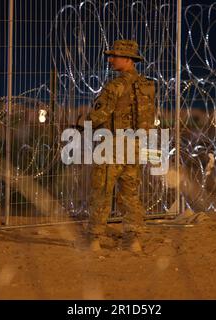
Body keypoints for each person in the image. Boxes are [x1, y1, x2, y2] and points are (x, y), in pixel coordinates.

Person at [78, 39, 155, 252]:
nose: (110, 60)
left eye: (115, 56)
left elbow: (100, 114)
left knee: (102, 191)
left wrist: (81, 125)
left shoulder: (115, 86)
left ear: (128, 59)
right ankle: (133, 240)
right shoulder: (148, 86)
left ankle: (93, 239)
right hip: (136, 145)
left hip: (112, 146)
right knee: (130, 193)